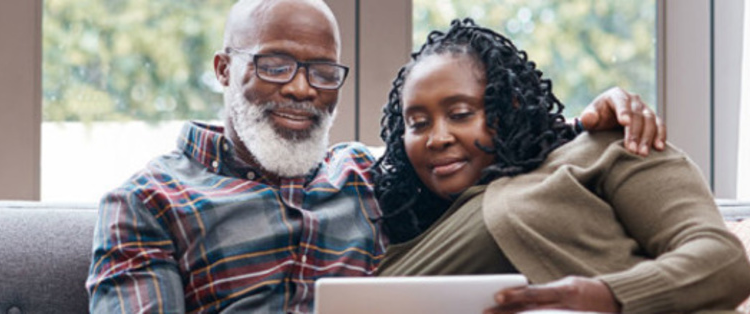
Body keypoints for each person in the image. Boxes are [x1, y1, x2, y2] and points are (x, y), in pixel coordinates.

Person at [84, 0, 666, 312]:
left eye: (321, 71)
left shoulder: (370, 172)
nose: (301, 89)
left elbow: (499, 148)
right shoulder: (148, 201)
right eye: (274, 64)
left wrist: (600, 119)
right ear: (223, 69)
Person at [374, 19, 750, 313]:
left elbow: (722, 260)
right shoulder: (413, 227)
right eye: (418, 124)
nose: (436, 138)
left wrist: (610, 296)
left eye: (460, 113)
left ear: (509, 107)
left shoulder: (607, 146)